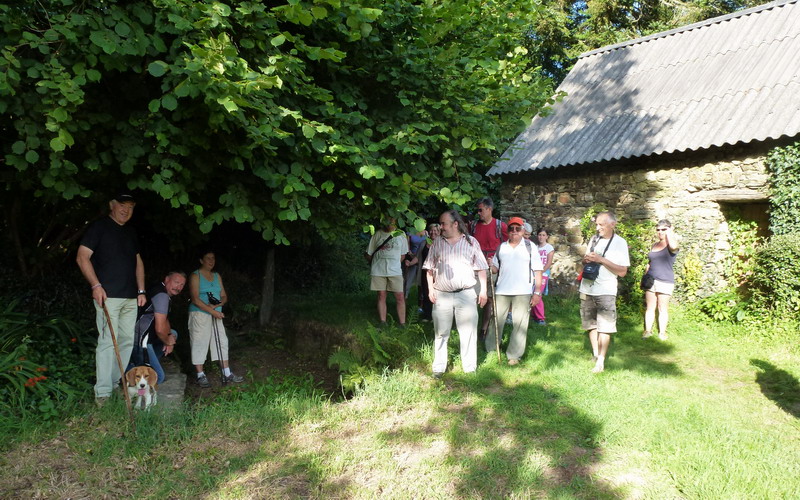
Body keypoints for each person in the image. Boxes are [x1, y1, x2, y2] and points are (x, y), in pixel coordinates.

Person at [76, 192, 146, 405]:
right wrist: (96, 286)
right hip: (108, 296)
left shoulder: (130, 232)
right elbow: (82, 257)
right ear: (112, 205)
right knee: (107, 343)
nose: (127, 210)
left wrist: (141, 291)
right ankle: (103, 394)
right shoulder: (99, 227)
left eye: (131, 207)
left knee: (125, 342)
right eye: (122, 205)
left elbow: (138, 262)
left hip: (130, 297)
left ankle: (116, 384)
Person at [423, 210, 488, 377]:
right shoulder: (437, 243)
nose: (441, 227)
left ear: (455, 224)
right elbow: (429, 268)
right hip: (441, 294)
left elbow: (481, 268)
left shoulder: (471, 242)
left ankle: (469, 368)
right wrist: (430, 289)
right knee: (441, 332)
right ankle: (438, 367)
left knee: (468, 332)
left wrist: (484, 291)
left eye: (443, 224)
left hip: (466, 294)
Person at [486, 217, 543, 365]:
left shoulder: (530, 247)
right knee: (496, 321)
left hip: (523, 291)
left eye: (518, 229)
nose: (514, 232)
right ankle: (491, 350)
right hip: (502, 290)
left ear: (523, 230)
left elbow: (538, 270)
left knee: (520, 324)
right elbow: (495, 269)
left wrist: (537, 292)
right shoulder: (502, 247)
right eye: (511, 229)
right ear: (508, 231)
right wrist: (490, 265)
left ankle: (514, 355)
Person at [579, 211, 630, 373]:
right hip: (587, 288)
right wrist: (586, 260)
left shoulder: (620, 243)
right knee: (590, 324)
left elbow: (622, 271)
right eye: (597, 224)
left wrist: (600, 260)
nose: (597, 227)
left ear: (612, 224)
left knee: (605, 327)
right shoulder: (594, 239)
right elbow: (585, 260)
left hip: (606, 290)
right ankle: (595, 354)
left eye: (601, 224)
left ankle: (601, 361)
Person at [188, 251, 244, 387]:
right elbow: (195, 299)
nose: (211, 261)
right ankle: (200, 375)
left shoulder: (217, 276)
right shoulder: (196, 276)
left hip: (216, 313)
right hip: (200, 314)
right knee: (199, 342)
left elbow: (224, 296)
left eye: (213, 258)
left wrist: (217, 305)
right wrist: (212, 311)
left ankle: (227, 372)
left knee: (221, 341)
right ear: (201, 260)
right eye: (208, 258)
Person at [128, 272, 186, 384]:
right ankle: (132, 370)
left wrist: (169, 337)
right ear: (167, 279)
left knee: (173, 333)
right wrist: (168, 342)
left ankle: (145, 363)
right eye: (176, 282)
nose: (178, 287)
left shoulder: (162, 291)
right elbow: (159, 329)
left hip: (147, 337)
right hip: (140, 340)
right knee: (157, 377)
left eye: (182, 285)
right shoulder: (162, 296)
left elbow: (165, 319)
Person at [471, 197, 508, 339]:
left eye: (480, 210)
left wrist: (498, 263)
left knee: (490, 300)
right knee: (473, 298)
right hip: (476, 268)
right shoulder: (474, 226)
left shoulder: (500, 226)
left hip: (493, 268)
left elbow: (507, 247)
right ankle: (471, 328)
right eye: (478, 210)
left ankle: (484, 329)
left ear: (489, 209)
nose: (478, 213)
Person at [365, 219, 408, 326]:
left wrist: (393, 263)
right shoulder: (377, 234)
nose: (389, 222)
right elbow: (368, 253)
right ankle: (383, 322)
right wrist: (376, 263)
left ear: (396, 220)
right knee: (381, 295)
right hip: (378, 270)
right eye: (387, 219)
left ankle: (402, 323)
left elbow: (403, 255)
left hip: (395, 271)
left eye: (392, 219)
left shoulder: (401, 234)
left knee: (400, 296)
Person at [643, 219, 680, 340]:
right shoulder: (655, 245)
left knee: (662, 308)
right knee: (650, 307)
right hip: (651, 280)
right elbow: (651, 261)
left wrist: (670, 232)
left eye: (663, 229)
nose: (660, 232)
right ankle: (647, 331)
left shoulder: (672, 245)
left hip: (665, 280)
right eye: (658, 230)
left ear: (669, 229)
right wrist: (646, 272)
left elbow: (674, 246)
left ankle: (662, 333)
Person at [532, 227, 555, 325]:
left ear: (547, 237)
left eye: (543, 235)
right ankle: (534, 315)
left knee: (538, 295)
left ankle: (541, 318)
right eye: (540, 235)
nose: (541, 237)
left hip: (543, 274)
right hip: (533, 274)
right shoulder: (535, 247)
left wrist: (540, 273)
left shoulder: (549, 247)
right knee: (532, 293)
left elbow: (549, 263)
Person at [418, 223, 440, 321]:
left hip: (438, 273)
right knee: (426, 292)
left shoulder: (442, 243)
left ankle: (437, 315)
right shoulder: (424, 243)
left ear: (439, 232)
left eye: (435, 230)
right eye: (431, 230)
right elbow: (417, 257)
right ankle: (427, 315)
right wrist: (409, 263)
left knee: (438, 293)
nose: (433, 232)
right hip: (425, 272)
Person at [403, 228, 427, 299]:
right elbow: (407, 244)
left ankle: (421, 301)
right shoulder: (410, 232)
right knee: (408, 280)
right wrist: (410, 254)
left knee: (422, 281)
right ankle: (405, 297)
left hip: (422, 258)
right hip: (411, 256)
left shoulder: (427, 233)